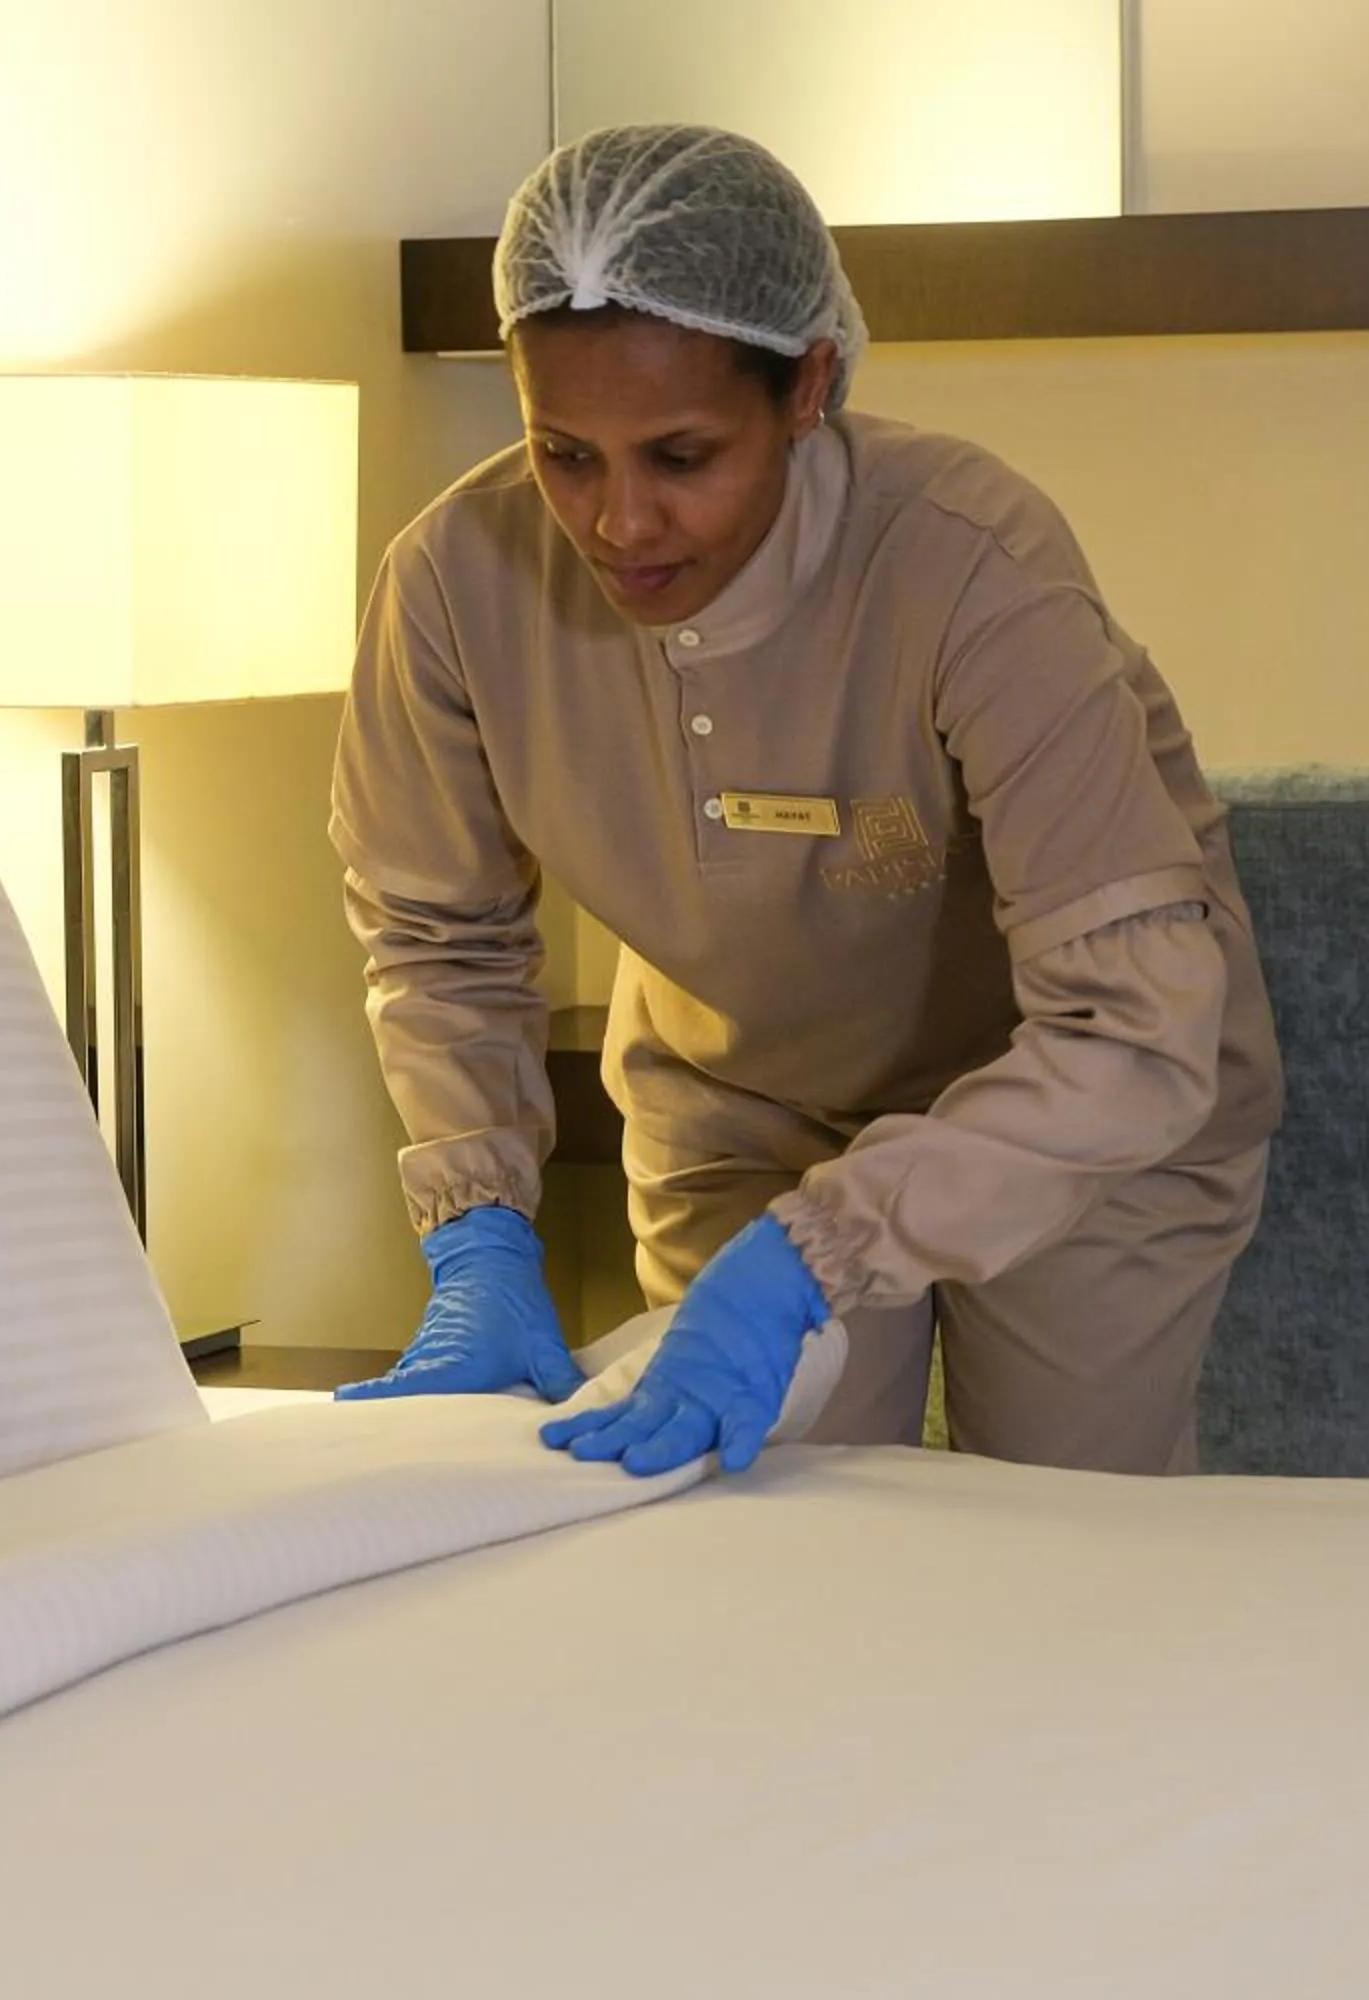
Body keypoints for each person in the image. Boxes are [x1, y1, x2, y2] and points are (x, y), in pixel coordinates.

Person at [329, 125, 1282, 1480]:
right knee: (758, 1524)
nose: (618, 525)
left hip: (1075, 1113)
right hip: (741, 1110)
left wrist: (814, 1258)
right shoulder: (450, 583)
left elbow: (1137, 1031)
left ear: (809, 386)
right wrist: (475, 1229)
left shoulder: (970, 564)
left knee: (1065, 1539)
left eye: (679, 454)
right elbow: (436, 937)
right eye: (566, 454)